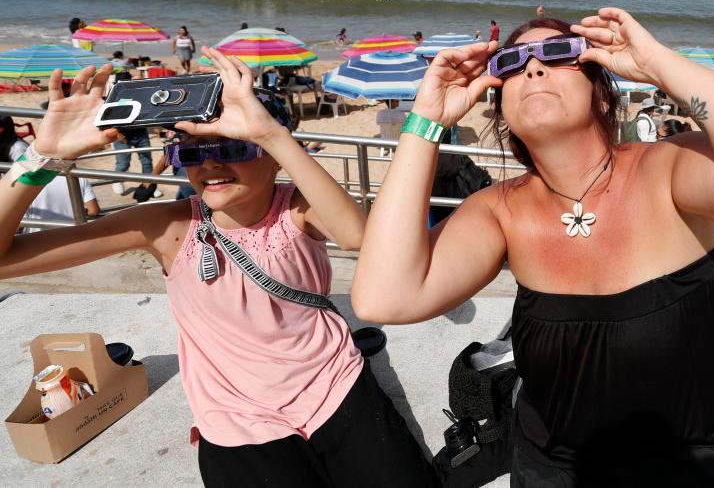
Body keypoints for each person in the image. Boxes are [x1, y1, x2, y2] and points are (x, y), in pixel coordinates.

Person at [352, 9, 714, 484]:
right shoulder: (500, 211)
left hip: (691, 463)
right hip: (550, 467)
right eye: (513, 63)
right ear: (502, 107)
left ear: (601, 88)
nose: (532, 68)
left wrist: (656, 62)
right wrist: (426, 121)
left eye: (557, 54)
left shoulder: (666, 169)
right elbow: (384, 296)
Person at [0, 53, 437, 486]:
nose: (209, 164)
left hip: (334, 386)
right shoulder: (166, 226)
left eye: (229, 146)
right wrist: (41, 157)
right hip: (235, 419)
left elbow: (359, 235)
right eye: (188, 153)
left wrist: (274, 136)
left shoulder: (297, 209)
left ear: (271, 152)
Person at [2, 117, 100, 221]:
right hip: (72, 231)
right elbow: (93, 211)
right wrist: (74, 213)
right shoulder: (80, 179)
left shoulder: (27, 186)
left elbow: (16, 222)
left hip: (35, 233)